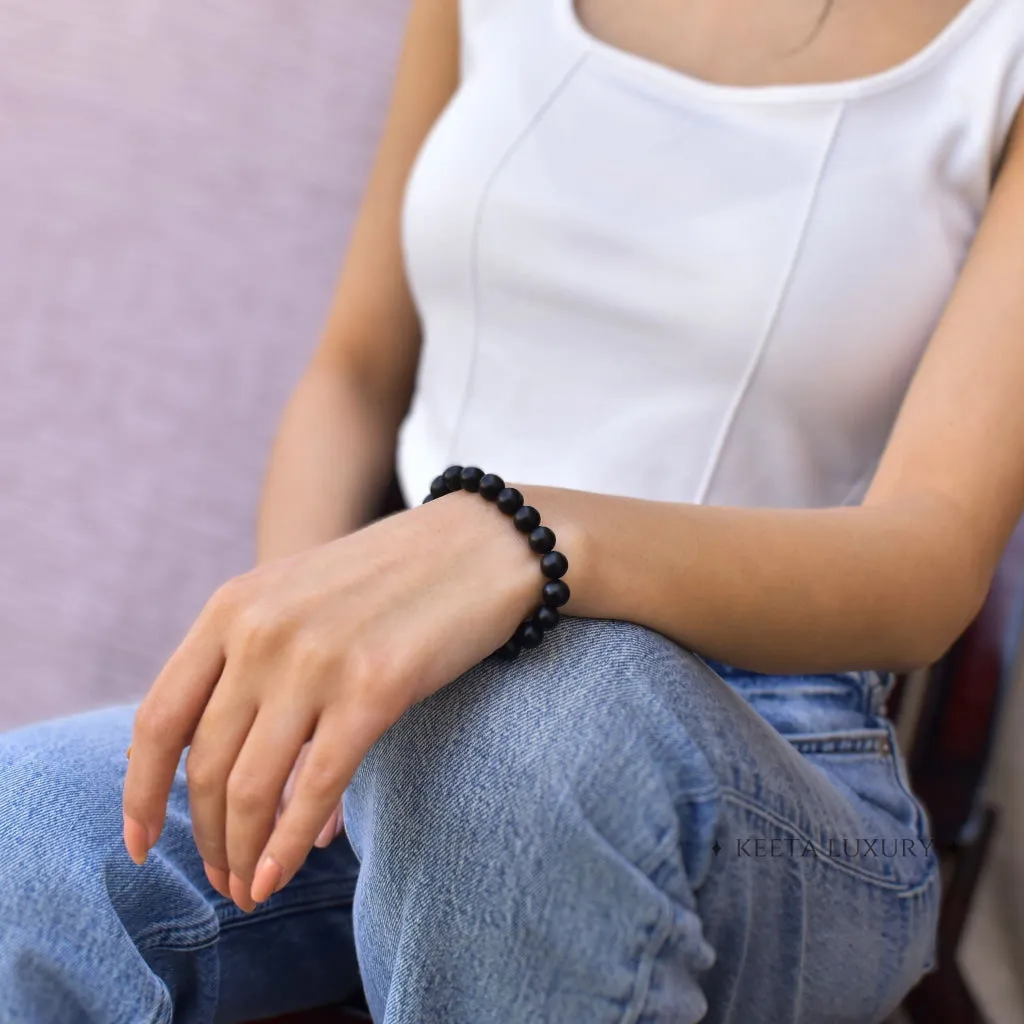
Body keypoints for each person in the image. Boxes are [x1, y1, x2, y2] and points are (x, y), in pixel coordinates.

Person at [4, 0, 1024, 1020]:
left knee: (531, 760)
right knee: (26, 833)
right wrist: (305, 666)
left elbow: (929, 554)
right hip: (401, 700)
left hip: (769, 742)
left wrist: (522, 536)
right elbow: (353, 378)